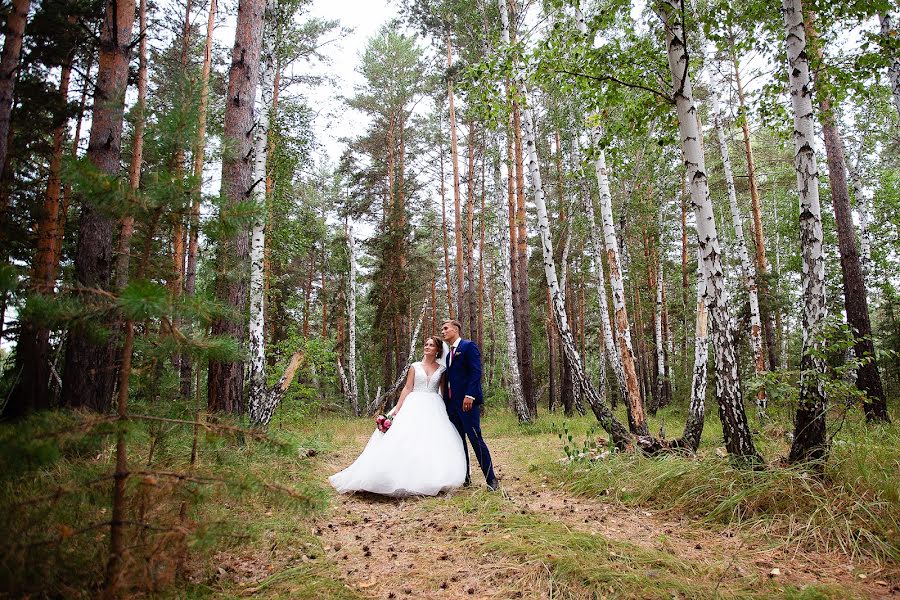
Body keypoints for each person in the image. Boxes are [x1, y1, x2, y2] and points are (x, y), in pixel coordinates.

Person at [328, 336, 466, 496]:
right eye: (426, 344)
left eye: (431, 345)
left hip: (434, 405)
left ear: (438, 350)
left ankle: (430, 478)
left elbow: (442, 391)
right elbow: (407, 388)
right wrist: (396, 410)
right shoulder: (415, 366)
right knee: (406, 437)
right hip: (414, 403)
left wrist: (448, 410)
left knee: (431, 440)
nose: (427, 347)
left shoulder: (442, 370)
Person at [440, 319, 500, 491]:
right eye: (442, 329)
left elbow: (476, 371)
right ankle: (465, 477)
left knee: (475, 438)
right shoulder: (448, 354)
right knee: (459, 442)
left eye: (446, 328)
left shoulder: (468, 346)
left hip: (467, 403)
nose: (443, 331)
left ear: (456, 329)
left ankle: (491, 479)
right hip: (452, 405)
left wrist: (470, 395)